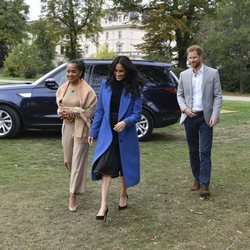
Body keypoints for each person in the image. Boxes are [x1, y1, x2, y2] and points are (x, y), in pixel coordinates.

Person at [88, 55, 144, 221]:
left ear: (127, 72)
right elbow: (100, 111)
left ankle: (123, 194)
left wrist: (126, 123)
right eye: (116, 71)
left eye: (121, 71)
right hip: (108, 133)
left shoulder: (134, 88)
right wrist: (93, 132)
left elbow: (137, 114)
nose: (118, 74)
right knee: (105, 166)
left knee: (124, 166)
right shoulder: (106, 85)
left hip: (125, 134)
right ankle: (103, 205)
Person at [177, 45, 222, 198]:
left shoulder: (213, 73)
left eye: (194, 57)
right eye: (189, 58)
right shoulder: (183, 75)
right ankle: (197, 178)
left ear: (200, 57)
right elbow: (179, 95)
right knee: (193, 151)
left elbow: (218, 96)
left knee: (205, 151)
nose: (191, 60)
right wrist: (184, 109)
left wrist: (215, 114)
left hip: (206, 118)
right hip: (189, 117)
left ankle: (204, 185)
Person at [56, 59, 97, 211]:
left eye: (73, 71)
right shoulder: (62, 88)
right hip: (67, 126)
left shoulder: (88, 91)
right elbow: (60, 108)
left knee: (78, 161)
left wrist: (74, 111)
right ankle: (76, 182)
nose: (70, 74)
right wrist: (64, 113)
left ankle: (72, 195)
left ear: (80, 73)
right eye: (68, 71)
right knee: (68, 160)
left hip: (82, 129)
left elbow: (91, 111)